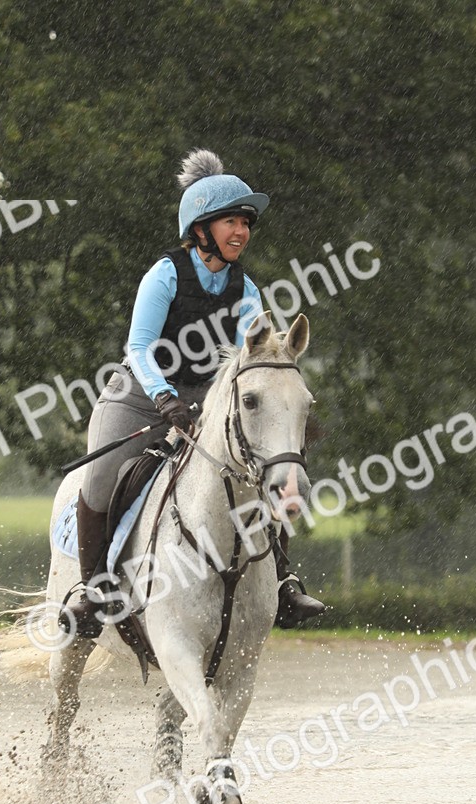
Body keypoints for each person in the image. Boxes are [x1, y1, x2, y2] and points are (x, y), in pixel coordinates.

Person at [64, 148, 325, 638]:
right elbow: (138, 347)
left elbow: (255, 357)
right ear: (201, 228)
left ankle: (283, 580)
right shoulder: (164, 275)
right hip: (141, 393)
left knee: (270, 465)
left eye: (247, 223)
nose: (242, 232)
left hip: (206, 398)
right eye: (232, 221)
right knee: (99, 477)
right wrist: (165, 398)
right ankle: (91, 592)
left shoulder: (246, 289)